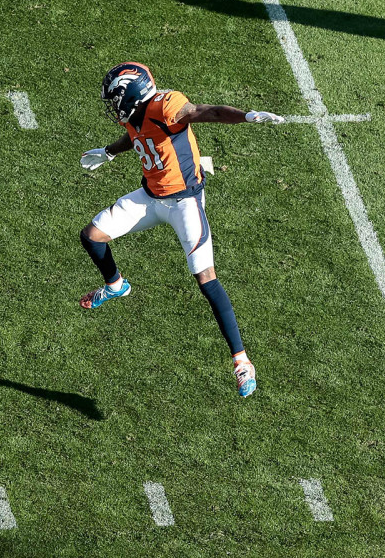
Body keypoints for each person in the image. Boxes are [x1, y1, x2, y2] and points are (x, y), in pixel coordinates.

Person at [78, 62, 284, 397]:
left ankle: (242, 360)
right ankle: (116, 285)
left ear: (132, 93)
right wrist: (108, 152)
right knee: (92, 236)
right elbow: (135, 137)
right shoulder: (136, 114)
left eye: (116, 98)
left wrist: (245, 116)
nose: (113, 106)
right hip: (150, 196)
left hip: (185, 202)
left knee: (206, 278)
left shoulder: (166, 105)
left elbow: (209, 112)